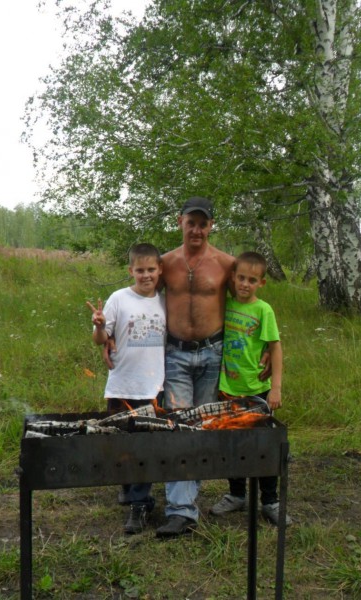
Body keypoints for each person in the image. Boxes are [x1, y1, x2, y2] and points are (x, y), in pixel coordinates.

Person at [155, 196, 237, 538]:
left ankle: (187, 500)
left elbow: (249, 306)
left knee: (201, 426)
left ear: (211, 226)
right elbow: (142, 299)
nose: (197, 230)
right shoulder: (164, 263)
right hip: (175, 354)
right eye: (191, 223)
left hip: (212, 354)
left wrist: (264, 349)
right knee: (179, 426)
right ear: (180, 222)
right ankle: (181, 510)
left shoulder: (226, 264)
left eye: (203, 224)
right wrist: (113, 335)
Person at [87, 243, 166, 535]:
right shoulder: (119, 299)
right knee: (120, 441)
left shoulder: (165, 302)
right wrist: (100, 327)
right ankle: (126, 485)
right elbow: (100, 339)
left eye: (151, 270)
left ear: (159, 270)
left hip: (152, 387)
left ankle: (140, 503)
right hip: (122, 384)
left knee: (145, 446)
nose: (146, 275)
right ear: (130, 270)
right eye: (140, 270)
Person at [209, 251, 292, 526]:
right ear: (233, 278)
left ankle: (270, 501)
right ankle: (236, 494)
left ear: (261, 283)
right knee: (232, 443)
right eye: (241, 278)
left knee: (262, 444)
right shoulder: (225, 304)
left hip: (256, 389)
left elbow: (275, 347)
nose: (245, 284)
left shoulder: (263, 310)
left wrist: (276, 388)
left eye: (252, 280)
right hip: (227, 388)